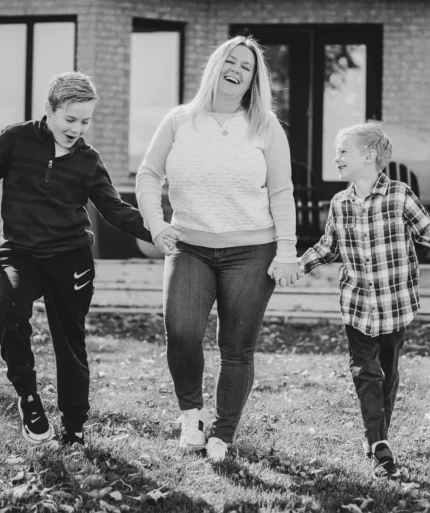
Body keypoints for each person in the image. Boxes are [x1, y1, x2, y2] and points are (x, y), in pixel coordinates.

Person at [135, 35, 300, 462]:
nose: (237, 69)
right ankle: (192, 415)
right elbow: (149, 175)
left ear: (253, 80)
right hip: (189, 245)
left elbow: (282, 191)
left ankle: (223, 433)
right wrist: (155, 224)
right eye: (231, 60)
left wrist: (286, 249)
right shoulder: (179, 120)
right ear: (216, 66)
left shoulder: (265, 126)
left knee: (237, 347)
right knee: (183, 333)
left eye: (246, 66)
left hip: (252, 250)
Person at [0, 71, 153, 448]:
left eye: (85, 121)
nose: (77, 129)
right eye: (70, 119)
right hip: (19, 251)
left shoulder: (88, 160)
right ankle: (28, 397)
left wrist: (158, 230)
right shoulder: (15, 139)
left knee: (70, 340)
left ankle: (74, 428)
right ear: (50, 110)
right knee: (11, 308)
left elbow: (114, 209)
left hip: (71, 257)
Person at [292, 122, 430, 479]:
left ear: (368, 156)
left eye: (342, 152)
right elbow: (329, 246)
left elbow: (426, 229)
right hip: (356, 304)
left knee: (388, 372)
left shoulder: (399, 195)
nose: (336, 158)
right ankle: (378, 440)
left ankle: (377, 434)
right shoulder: (340, 203)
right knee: (365, 371)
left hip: (394, 305)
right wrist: (297, 266)